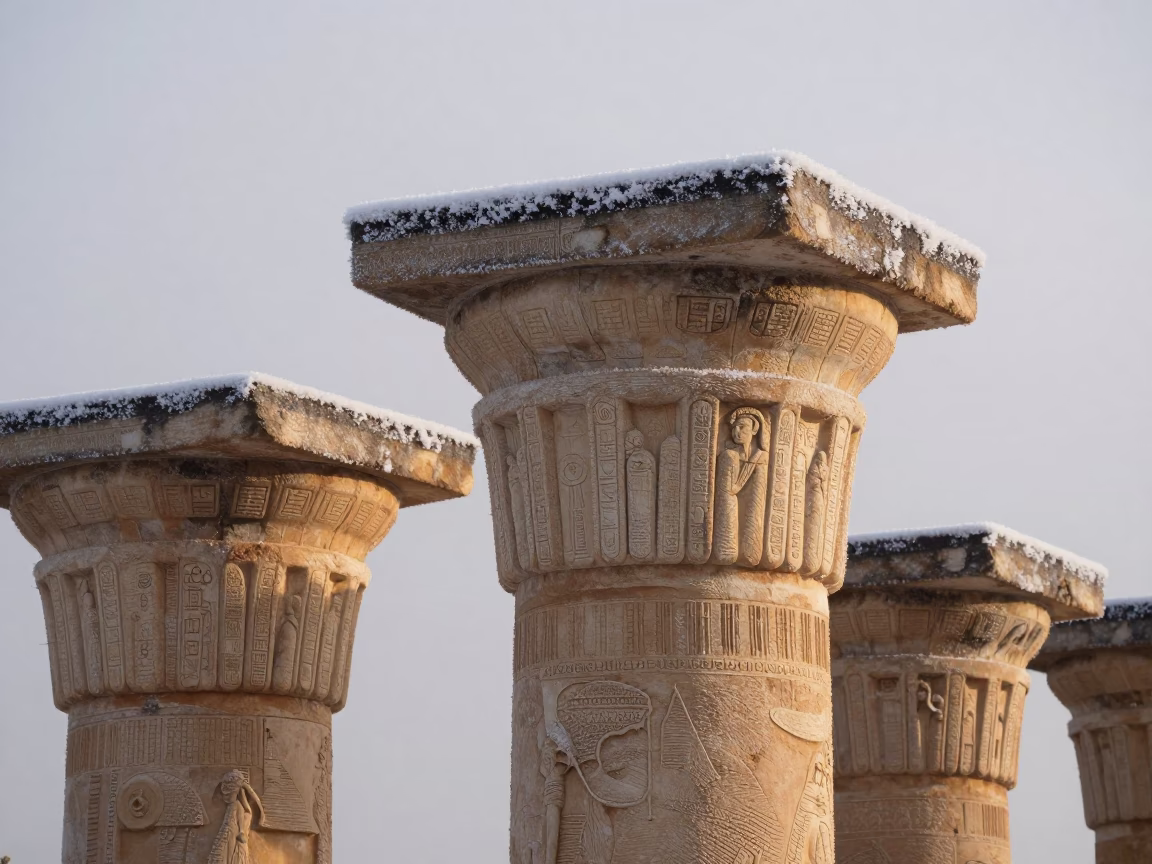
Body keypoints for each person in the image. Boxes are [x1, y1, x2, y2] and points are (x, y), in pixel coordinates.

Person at [208, 770, 263, 864]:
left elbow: (241, 819)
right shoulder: (235, 805)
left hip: (233, 834)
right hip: (229, 833)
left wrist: (241, 831)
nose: (225, 795)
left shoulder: (237, 805)